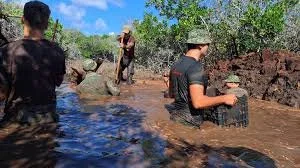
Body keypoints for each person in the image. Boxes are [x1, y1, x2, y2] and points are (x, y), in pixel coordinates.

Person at [0, 1, 65, 125]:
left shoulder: (6, 51)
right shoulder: (57, 51)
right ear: (46, 24)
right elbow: (59, 81)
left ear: (22, 19)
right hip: (49, 120)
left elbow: (1, 95)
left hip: (16, 121)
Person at [168, 29, 237, 127]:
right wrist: (224, 98)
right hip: (190, 123)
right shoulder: (196, 67)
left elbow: (171, 94)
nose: (208, 47)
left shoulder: (175, 64)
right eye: (207, 44)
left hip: (174, 118)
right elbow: (198, 102)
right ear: (200, 45)